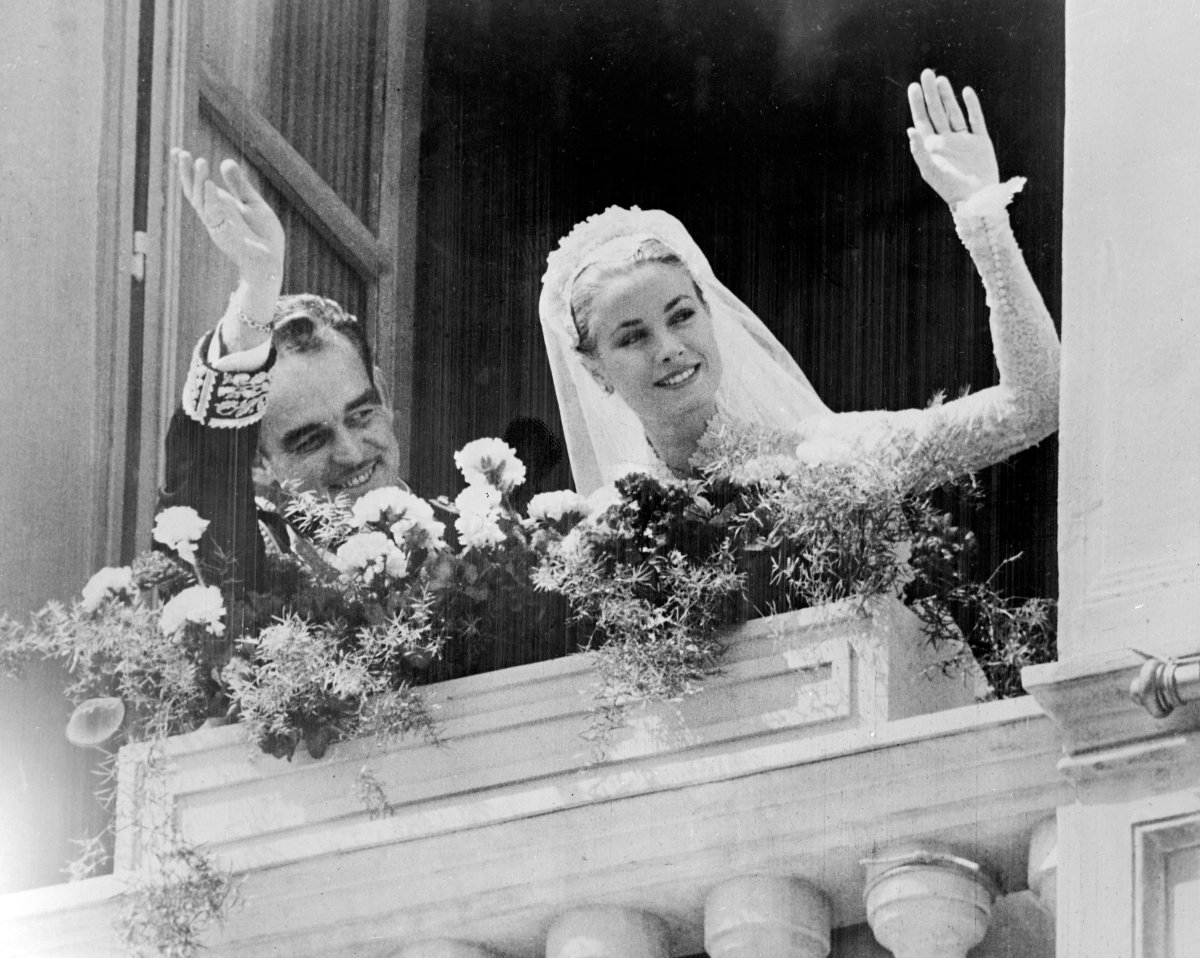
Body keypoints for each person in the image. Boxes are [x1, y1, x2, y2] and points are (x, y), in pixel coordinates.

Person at [538, 70, 1060, 495]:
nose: (670, 348)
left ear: (709, 313)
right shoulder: (604, 534)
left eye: (681, 315)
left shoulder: (824, 457)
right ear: (594, 369)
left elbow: (1034, 405)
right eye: (632, 337)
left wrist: (981, 219)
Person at [158, 153, 405, 593]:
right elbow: (206, 480)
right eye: (311, 439)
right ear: (259, 464)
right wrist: (257, 287)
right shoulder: (258, 580)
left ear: (383, 395)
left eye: (361, 414)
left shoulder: (486, 542)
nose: (350, 452)